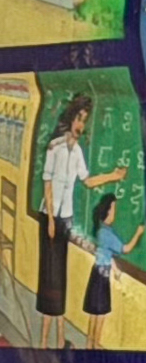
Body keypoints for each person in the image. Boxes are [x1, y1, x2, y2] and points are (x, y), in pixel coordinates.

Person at [36, 92, 124, 316]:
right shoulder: (54, 147)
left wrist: (113, 176)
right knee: (49, 267)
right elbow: (47, 183)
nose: (80, 125)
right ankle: (46, 311)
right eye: (78, 118)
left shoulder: (77, 152)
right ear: (70, 119)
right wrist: (50, 219)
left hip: (65, 217)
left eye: (84, 121)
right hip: (50, 216)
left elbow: (88, 181)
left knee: (60, 268)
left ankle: (58, 314)